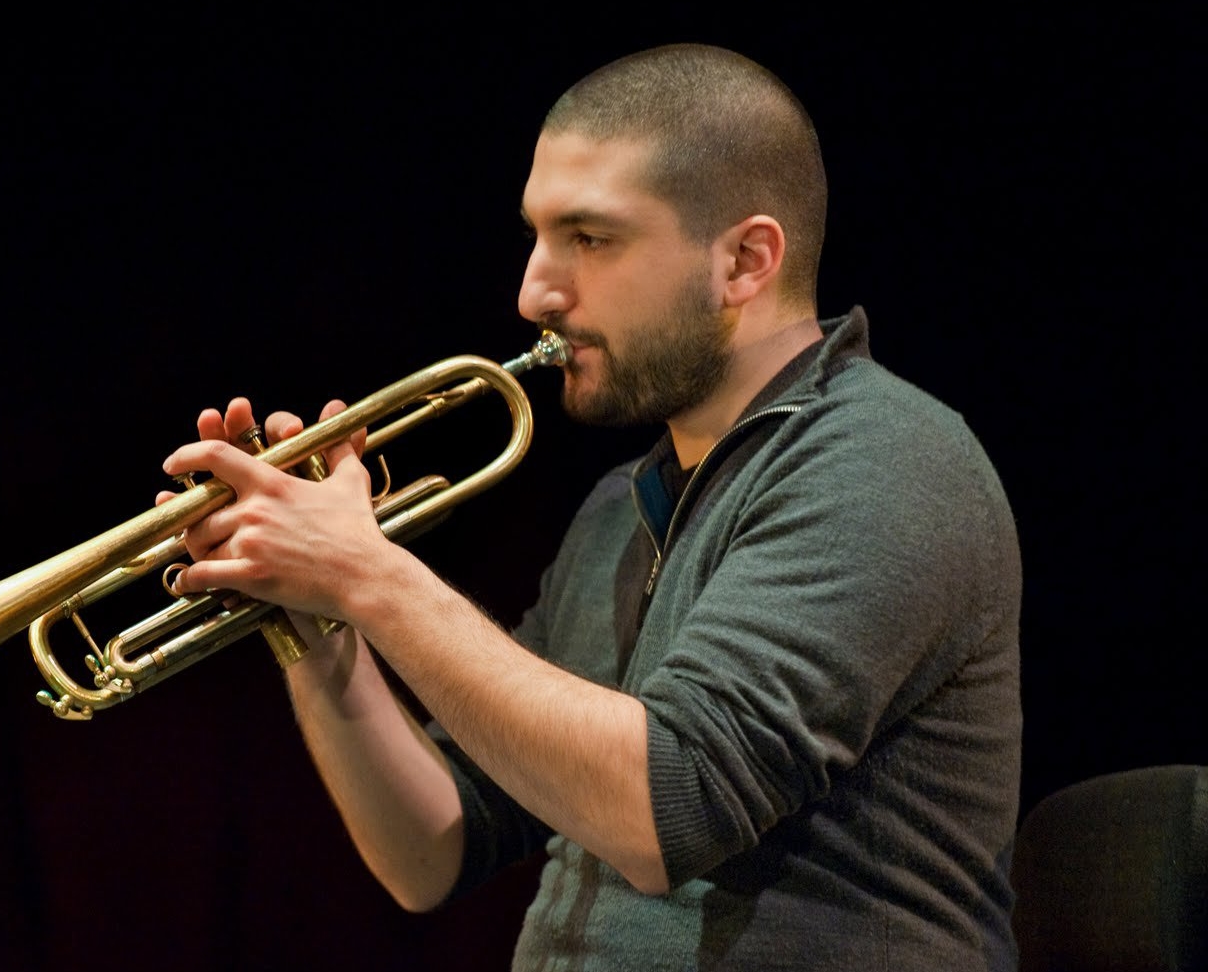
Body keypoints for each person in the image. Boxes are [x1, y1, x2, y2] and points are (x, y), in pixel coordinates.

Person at [158, 43, 1022, 971]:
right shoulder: (620, 510)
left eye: (591, 239)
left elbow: (670, 808)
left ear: (744, 260)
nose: (535, 290)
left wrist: (366, 573)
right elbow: (431, 853)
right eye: (536, 236)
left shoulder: (885, 458)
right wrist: (316, 621)